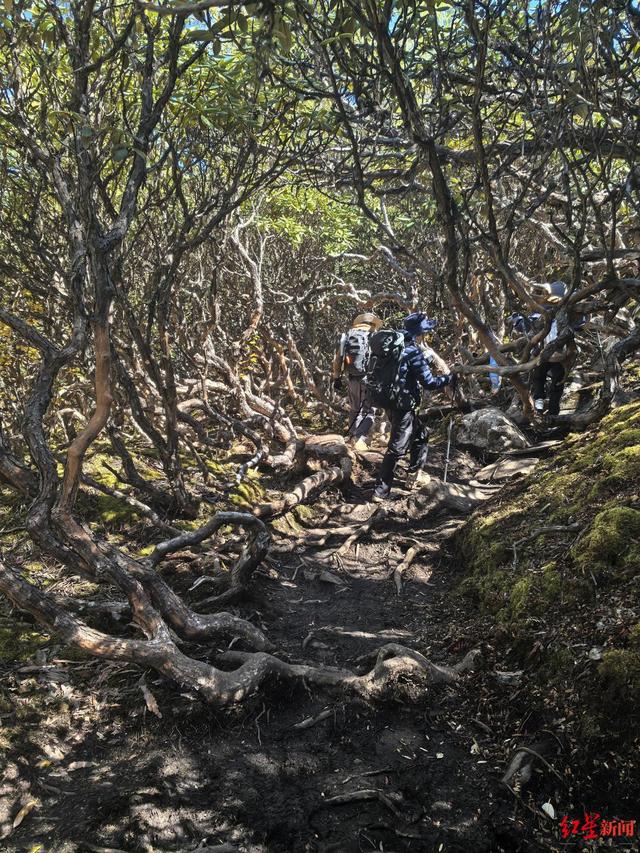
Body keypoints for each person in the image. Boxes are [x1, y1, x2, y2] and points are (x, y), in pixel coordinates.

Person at [372, 312, 453, 502]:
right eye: (425, 332)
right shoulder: (412, 352)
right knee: (397, 448)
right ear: (420, 333)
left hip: (390, 402)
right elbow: (429, 382)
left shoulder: (390, 347)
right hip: (404, 405)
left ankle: (413, 475)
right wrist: (449, 378)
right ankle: (380, 491)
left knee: (421, 436)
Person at [331, 312, 382, 449]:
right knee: (369, 410)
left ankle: (353, 436)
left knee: (354, 409)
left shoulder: (347, 335)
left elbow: (338, 359)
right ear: (372, 323)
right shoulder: (375, 336)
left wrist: (337, 377)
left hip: (352, 378)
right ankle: (361, 439)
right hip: (370, 379)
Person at [530, 281, 577, 416]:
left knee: (557, 382)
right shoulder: (542, 317)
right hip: (545, 353)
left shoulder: (566, 316)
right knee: (539, 377)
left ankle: (553, 411)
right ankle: (539, 401)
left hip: (560, 355)